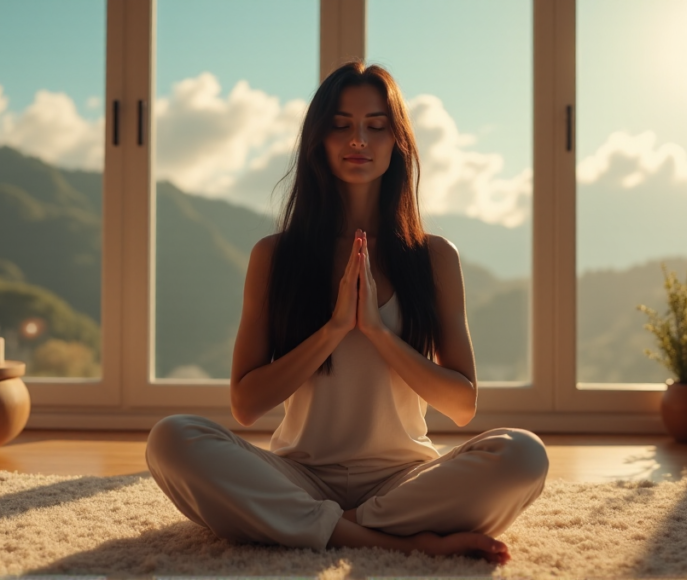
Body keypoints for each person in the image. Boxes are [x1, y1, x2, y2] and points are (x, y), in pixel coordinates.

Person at [145, 61, 549, 564]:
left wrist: (378, 333)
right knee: (172, 439)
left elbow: (462, 404)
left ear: (397, 141)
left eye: (375, 126)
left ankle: (316, 526)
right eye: (341, 125)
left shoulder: (434, 257)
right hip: (300, 476)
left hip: (404, 479)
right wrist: (334, 330)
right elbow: (246, 404)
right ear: (318, 140)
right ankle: (398, 540)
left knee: (523, 453)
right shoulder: (275, 256)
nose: (358, 139)